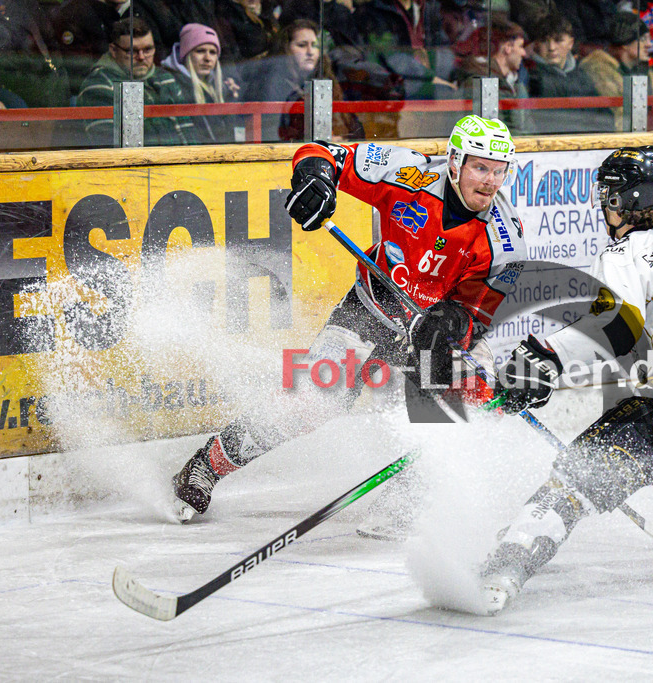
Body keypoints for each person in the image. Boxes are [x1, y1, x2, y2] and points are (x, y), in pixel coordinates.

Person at [171, 115, 528, 523]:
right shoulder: (408, 173)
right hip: (371, 311)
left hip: (429, 334)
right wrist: (315, 179)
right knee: (310, 401)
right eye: (480, 167)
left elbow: (479, 312)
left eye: (499, 171)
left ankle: (413, 494)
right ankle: (207, 465)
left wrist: (452, 327)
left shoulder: (506, 239)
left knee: (471, 406)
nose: (490, 181)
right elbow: (325, 153)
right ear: (454, 161)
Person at [477, 146, 653, 614]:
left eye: (608, 195)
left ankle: (504, 567)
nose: (603, 204)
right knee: (595, 470)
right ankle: (536, 523)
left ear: (622, 201)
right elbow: (646, 348)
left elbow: (616, 327)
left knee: (574, 478)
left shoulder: (628, 251)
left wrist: (542, 358)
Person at [77, 18, 196, 146]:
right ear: (113, 50)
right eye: (132, 51)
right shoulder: (99, 85)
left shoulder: (164, 78)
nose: (141, 57)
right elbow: (111, 147)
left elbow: (189, 133)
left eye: (148, 49)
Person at [243, 19, 363, 142]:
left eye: (315, 46)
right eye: (302, 45)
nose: (310, 52)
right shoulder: (272, 84)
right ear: (286, 49)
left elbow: (354, 127)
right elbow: (270, 134)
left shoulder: (326, 81)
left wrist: (342, 139)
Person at [578, 11, 653, 131]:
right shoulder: (597, 68)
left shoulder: (644, 71)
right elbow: (621, 116)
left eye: (649, 39)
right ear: (625, 42)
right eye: (643, 39)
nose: (649, 44)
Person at [524, 13, 615, 133]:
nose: (551, 47)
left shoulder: (582, 75)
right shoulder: (531, 77)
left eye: (558, 40)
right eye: (544, 41)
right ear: (536, 44)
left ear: (570, 43)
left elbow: (606, 118)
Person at [160, 23, 243, 144]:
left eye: (213, 52)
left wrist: (232, 98)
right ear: (186, 55)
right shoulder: (174, 85)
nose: (207, 58)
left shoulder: (222, 86)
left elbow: (233, 130)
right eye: (200, 51)